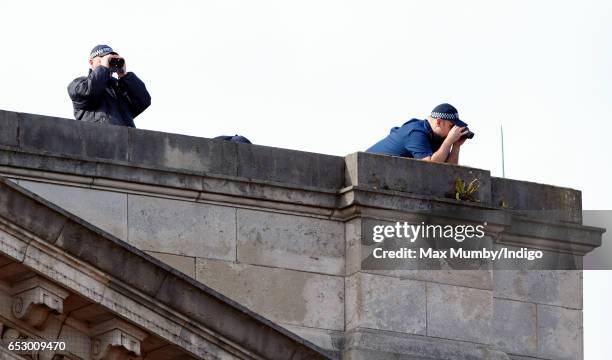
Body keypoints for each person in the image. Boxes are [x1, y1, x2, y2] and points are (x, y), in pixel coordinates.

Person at [67, 45, 151, 127]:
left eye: (110, 59)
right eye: (103, 58)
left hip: (125, 138)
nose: (108, 62)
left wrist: (124, 75)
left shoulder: (120, 87)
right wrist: (104, 67)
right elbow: (91, 91)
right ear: (91, 62)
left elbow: (144, 101)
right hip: (96, 138)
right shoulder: (79, 84)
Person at [366, 103, 472, 164]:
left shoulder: (438, 137)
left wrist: (456, 146)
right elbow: (429, 166)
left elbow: (448, 170)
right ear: (439, 122)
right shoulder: (415, 132)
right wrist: (448, 142)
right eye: (451, 126)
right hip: (368, 168)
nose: (453, 130)